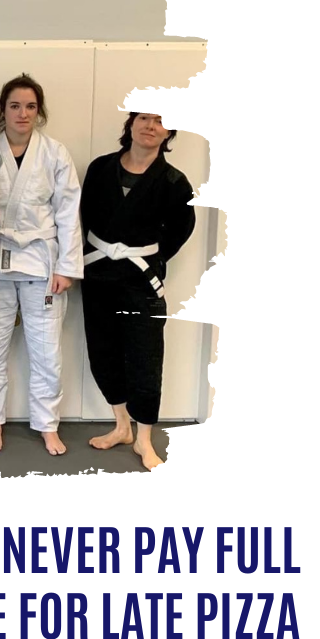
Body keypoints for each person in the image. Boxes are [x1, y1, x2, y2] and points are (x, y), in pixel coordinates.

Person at [80, 112, 196, 470]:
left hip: (141, 280)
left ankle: (144, 439)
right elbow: (85, 215)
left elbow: (180, 230)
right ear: (130, 124)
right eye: (144, 117)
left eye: (160, 121)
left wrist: (146, 259)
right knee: (103, 352)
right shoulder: (101, 169)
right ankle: (121, 427)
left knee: (145, 358)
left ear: (168, 132)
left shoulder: (175, 182)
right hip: (98, 273)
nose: (151, 126)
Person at [0, 73, 83, 456]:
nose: (23, 113)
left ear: (39, 112)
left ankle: (48, 424)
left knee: (47, 352)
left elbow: (68, 212)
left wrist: (67, 266)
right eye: (15, 106)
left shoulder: (55, 153)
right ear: (3, 110)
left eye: (30, 106)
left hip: (41, 263)